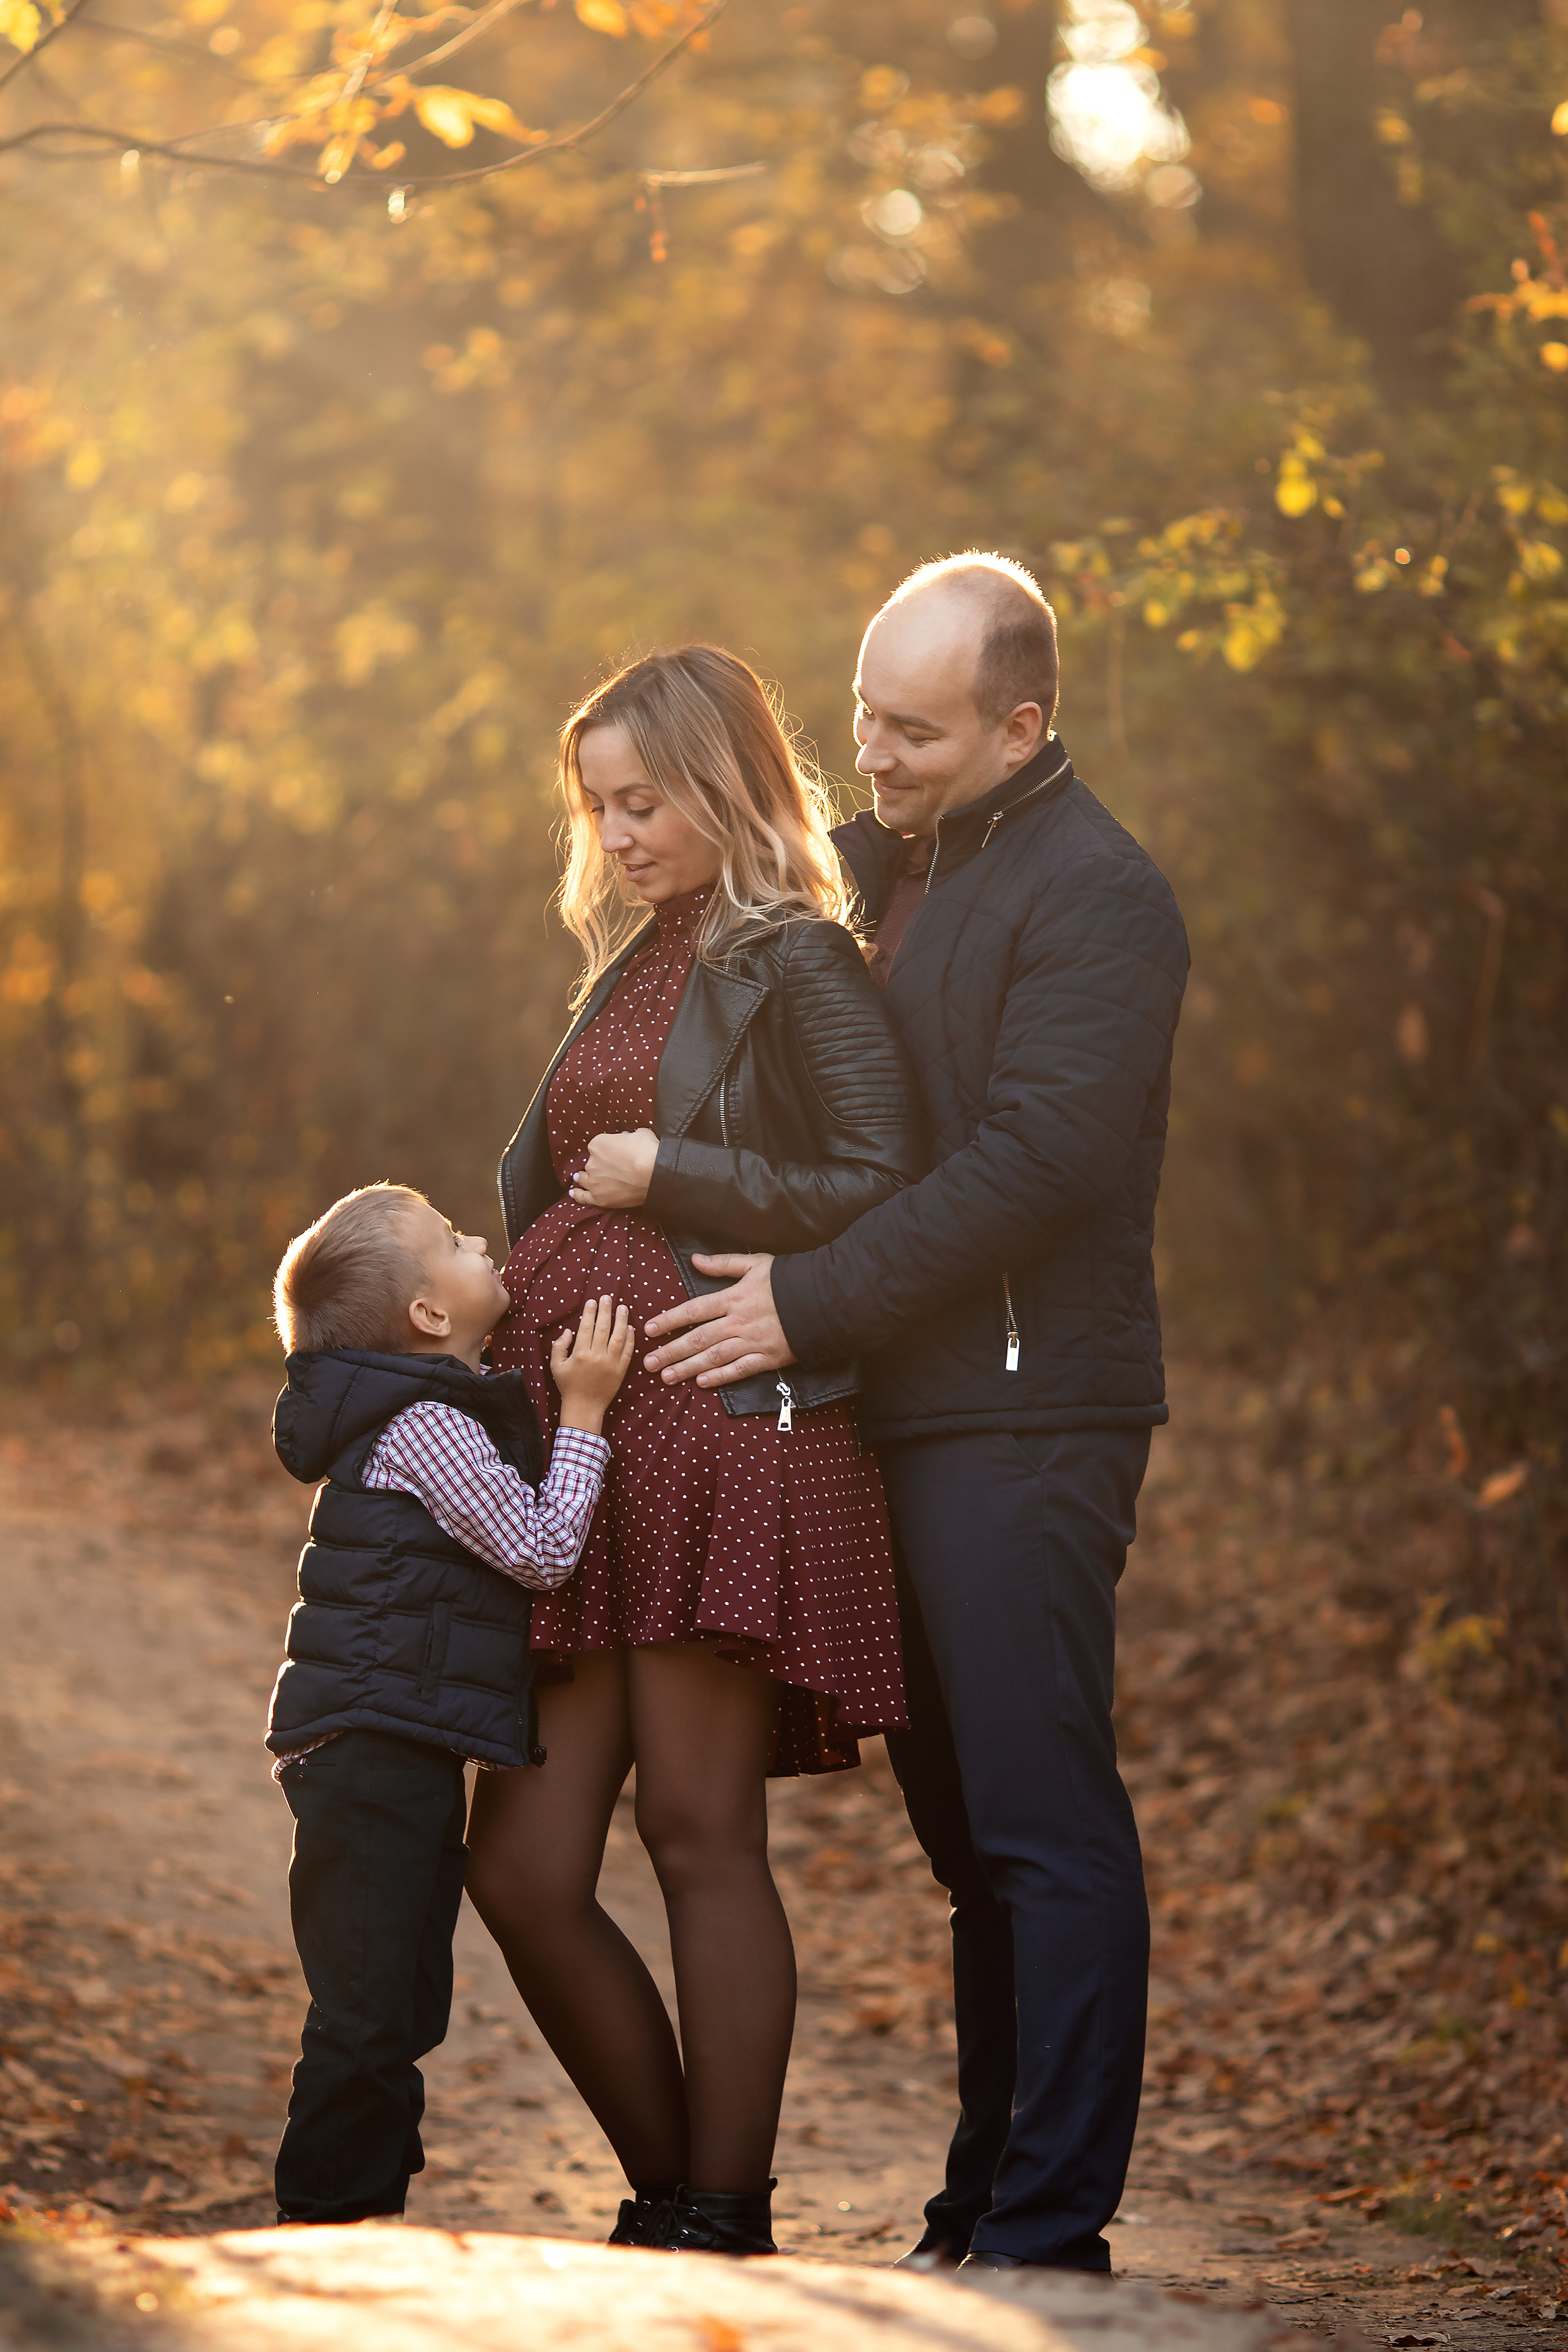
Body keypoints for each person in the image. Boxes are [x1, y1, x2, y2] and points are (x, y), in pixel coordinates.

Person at [641, 556, 1191, 2275]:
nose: (869, 753)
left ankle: (1050, 2227)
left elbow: (1036, 1165)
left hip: (1025, 1419)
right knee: (964, 1843)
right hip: (896, 1410)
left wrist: (806, 1299)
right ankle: (981, 2207)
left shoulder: (1100, 895)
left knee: (1038, 1821)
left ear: (1022, 727)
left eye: (916, 730)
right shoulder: (878, 866)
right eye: (863, 713)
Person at [464, 644, 924, 2260]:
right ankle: (670, 2187)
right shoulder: (636, 955)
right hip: (586, 1452)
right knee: (522, 1866)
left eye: (644, 802)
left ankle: (718, 2215)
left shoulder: (794, 958)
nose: (618, 834)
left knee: (695, 1833)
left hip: (717, 1431)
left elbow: (883, 1182)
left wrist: (680, 1175)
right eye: (599, 806)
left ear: (726, 787)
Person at [266, 1180, 634, 2226]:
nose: (480, 1241)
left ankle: (362, 2222)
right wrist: (586, 1411)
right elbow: (542, 1548)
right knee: (367, 2014)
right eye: (456, 1241)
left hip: (388, 1749)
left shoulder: (429, 1408)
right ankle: (323, 2237)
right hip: (372, 1753)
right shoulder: (426, 1423)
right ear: (429, 1314)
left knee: (398, 2004)